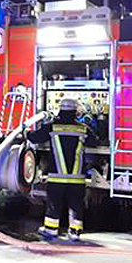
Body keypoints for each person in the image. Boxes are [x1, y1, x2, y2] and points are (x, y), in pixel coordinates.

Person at [25, 98, 98, 240]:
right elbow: (95, 141)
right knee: (76, 205)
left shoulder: (52, 127)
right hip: (77, 179)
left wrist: (26, 131)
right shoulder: (83, 128)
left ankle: (51, 230)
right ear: (75, 112)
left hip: (56, 177)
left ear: (60, 110)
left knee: (54, 203)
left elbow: (34, 138)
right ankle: (75, 232)